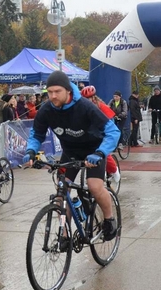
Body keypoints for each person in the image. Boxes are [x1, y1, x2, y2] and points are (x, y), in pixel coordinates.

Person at [23, 71, 121, 242]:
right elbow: (37, 134)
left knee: (94, 186)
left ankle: (109, 219)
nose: (53, 96)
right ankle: (64, 233)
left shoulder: (85, 106)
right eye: (50, 92)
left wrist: (100, 152)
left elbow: (113, 131)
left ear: (68, 91)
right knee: (61, 193)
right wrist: (31, 151)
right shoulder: (46, 110)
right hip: (70, 152)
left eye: (57, 91)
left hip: (93, 150)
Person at [80, 85, 121, 184]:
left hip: (103, 131)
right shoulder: (82, 107)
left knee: (102, 151)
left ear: (93, 97)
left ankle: (114, 171)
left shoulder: (101, 107)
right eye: (84, 99)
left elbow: (110, 125)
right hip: (90, 132)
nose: (86, 101)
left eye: (88, 98)